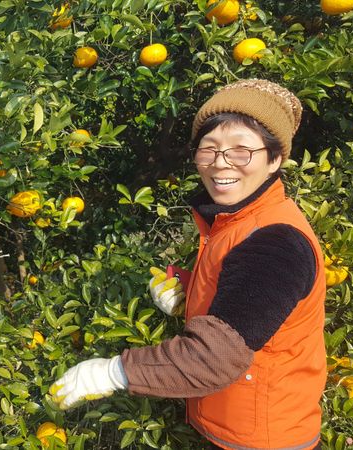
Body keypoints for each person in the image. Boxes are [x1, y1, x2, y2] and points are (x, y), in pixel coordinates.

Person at [50, 79, 326, 450]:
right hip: (233, 426)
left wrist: (113, 372)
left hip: (265, 440)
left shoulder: (275, 243)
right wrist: (189, 290)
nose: (220, 162)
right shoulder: (236, 223)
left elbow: (215, 359)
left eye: (241, 151)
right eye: (209, 149)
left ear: (274, 160)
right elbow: (245, 299)